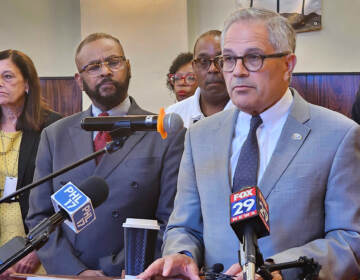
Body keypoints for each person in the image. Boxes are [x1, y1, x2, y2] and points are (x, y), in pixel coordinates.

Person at [139, 8, 360, 280]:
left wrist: (276, 271)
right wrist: (181, 254)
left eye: (253, 58)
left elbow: (350, 241)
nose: (238, 71)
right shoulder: (199, 135)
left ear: (288, 64)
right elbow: (184, 227)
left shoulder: (339, 134)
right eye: (229, 59)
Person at [26, 33, 185, 277]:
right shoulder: (54, 135)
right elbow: (39, 217)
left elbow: (171, 219)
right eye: (93, 66)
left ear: (128, 66)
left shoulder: (163, 132)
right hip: (68, 274)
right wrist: (75, 271)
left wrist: (122, 268)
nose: (105, 71)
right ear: (79, 80)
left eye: (113, 62)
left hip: (134, 272)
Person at [0, 49, 61, 279]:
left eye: (7, 76)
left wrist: (39, 247)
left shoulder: (53, 127)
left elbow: (62, 194)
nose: (0, 83)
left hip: (34, 242)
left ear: (26, 83)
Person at [166, 30, 234, 128]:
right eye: (203, 61)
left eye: (221, 60)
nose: (212, 69)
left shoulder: (249, 113)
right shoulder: (174, 115)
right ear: (194, 67)